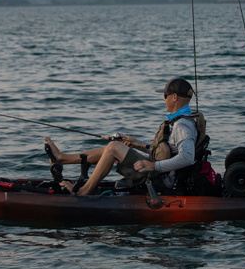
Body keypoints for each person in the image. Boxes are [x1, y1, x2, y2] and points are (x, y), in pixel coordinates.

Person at [43, 77, 203, 196]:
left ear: (174, 97)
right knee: (114, 147)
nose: (164, 99)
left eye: (166, 95)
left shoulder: (182, 125)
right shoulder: (180, 120)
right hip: (160, 171)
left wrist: (153, 166)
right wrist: (137, 144)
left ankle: (83, 192)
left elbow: (188, 157)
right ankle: (62, 158)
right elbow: (168, 150)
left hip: (162, 180)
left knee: (114, 148)